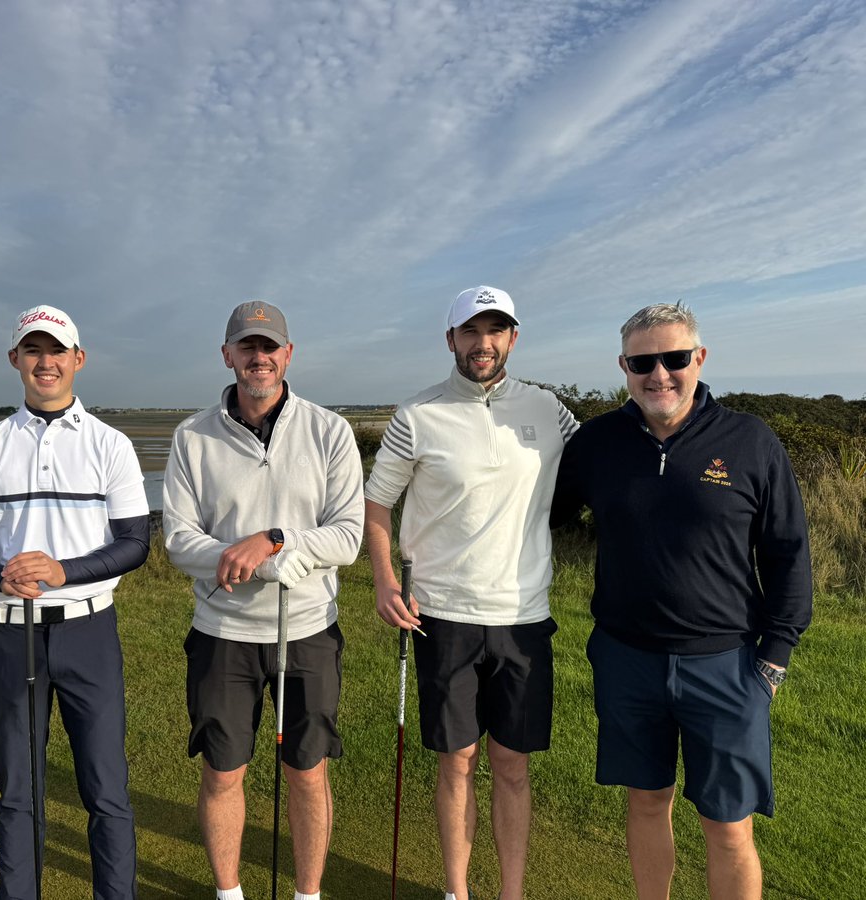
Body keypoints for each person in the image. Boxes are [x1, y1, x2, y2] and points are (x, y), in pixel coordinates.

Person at [551, 302, 812, 900]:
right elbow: (543, 515)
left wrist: (772, 660)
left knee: (727, 825)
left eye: (673, 358)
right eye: (643, 361)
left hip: (726, 663)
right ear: (624, 365)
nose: (659, 374)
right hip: (626, 658)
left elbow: (787, 553)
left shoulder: (750, 440)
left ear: (699, 358)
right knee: (647, 803)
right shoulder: (598, 442)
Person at [363, 286, 577, 900]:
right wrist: (382, 581)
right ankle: (457, 892)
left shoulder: (550, 410)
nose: (483, 343)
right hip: (442, 616)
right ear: (450, 339)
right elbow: (377, 503)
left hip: (523, 616)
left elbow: (596, 465)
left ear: (513, 338)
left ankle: (511, 893)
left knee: (513, 766)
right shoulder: (417, 415)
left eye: (496, 330)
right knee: (457, 763)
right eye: (470, 331)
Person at [162, 301, 364, 900]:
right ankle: (229, 893)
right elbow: (178, 539)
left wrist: (273, 541)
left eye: (270, 346)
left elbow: (347, 535)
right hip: (223, 632)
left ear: (289, 354)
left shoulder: (329, 430)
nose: (259, 357)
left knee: (308, 770)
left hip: (307, 630)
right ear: (228, 356)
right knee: (223, 772)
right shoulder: (192, 436)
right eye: (247, 347)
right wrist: (238, 558)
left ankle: (308, 894)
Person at [0, 305, 149, 900]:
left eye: (57, 351)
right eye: (33, 350)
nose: (46, 362)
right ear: (15, 360)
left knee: (106, 788)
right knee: (17, 791)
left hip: (89, 634)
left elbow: (135, 544)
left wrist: (63, 571)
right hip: (13, 633)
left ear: (78, 359)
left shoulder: (110, 445)